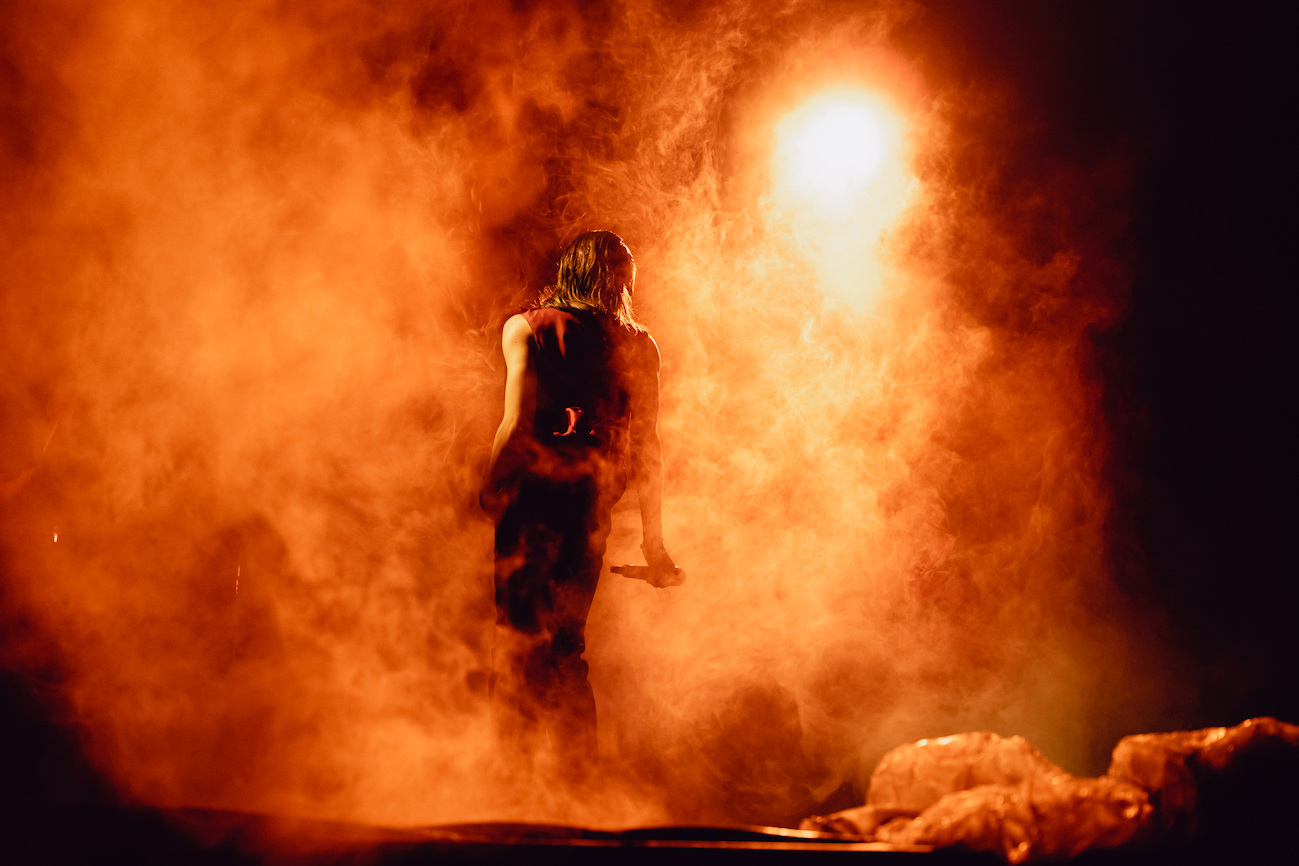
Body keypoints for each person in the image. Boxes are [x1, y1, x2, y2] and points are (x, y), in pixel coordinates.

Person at [481, 230, 679, 780]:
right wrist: (655, 543)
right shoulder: (640, 346)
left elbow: (515, 424)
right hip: (588, 512)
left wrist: (491, 489)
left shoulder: (527, 328)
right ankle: (578, 789)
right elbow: (648, 448)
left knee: (519, 647)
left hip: (530, 508)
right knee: (568, 650)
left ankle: (508, 788)